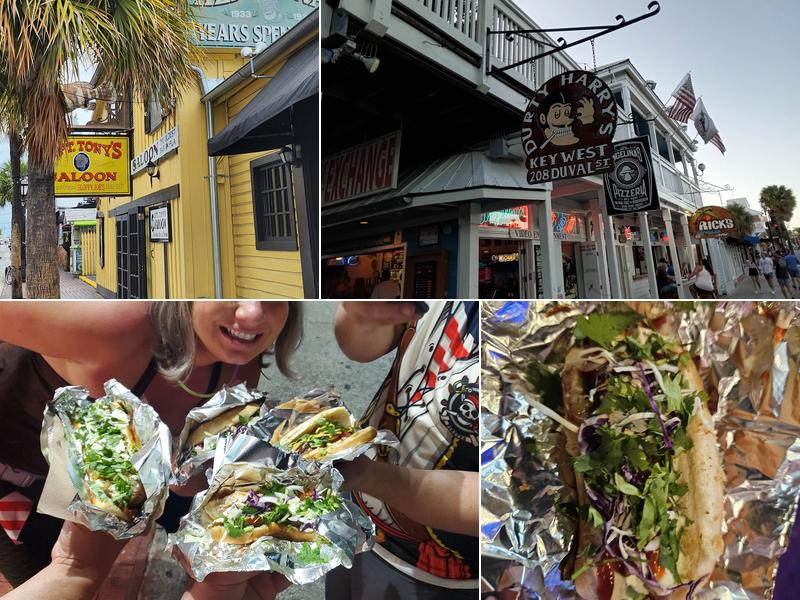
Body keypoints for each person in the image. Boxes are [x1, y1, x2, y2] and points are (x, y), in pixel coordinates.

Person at [0, 301, 301, 600]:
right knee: (56, 578)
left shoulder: (239, 361)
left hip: (115, 490)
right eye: (230, 291)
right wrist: (77, 571)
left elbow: (189, 480)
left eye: (273, 297)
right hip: (19, 478)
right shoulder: (116, 326)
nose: (252, 313)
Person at [327, 301, 478, 599]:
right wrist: (360, 317)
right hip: (355, 504)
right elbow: (362, 345)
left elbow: (496, 500)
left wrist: (369, 476)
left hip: (435, 572)